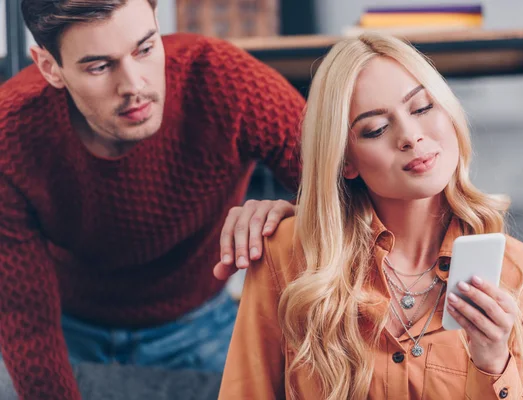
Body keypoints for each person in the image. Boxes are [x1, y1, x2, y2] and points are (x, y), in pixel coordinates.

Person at [219, 33, 523, 400]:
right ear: (346, 160)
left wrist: (493, 365)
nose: (411, 137)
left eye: (422, 108)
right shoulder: (283, 255)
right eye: (376, 129)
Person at [0, 0, 304, 399]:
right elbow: (26, 321)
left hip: (200, 324)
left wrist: (297, 215)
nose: (135, 85)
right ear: (49, 68)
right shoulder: (11, 135)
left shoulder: (225, 79)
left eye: (145, 49)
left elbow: (347, 191)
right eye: (99, 66)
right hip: (69, 331)